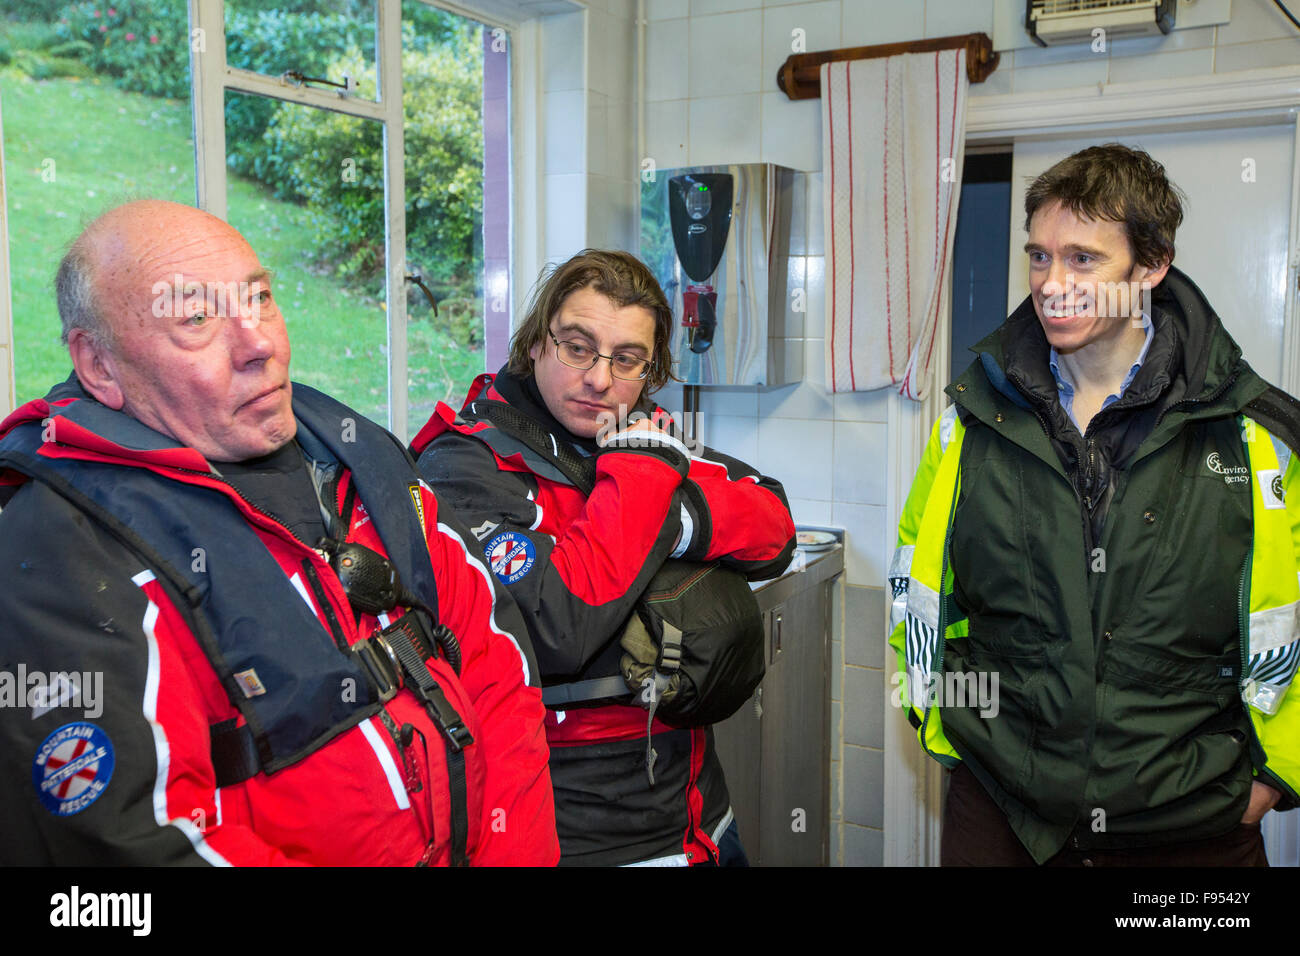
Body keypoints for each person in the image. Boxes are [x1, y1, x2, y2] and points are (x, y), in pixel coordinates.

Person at [0, 199, 559, 866]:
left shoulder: (357, 459)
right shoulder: (63, 549)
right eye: (196, 320)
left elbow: (498, 676)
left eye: (258, 297)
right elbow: (133, 841)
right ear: (99, 366)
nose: (260, 344)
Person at [889, 143, 1300, 866]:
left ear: (1151, 268)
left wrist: (1273, 778)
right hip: (1002, 810)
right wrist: (939, 725)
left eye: (1084, 259)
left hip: (1191, 821)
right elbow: (919, 588)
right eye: (1039, 256)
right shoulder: (974, 418)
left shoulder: (1254, 433)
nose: (1052, 283)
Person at [411, 249, 796, 865]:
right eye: (577, 347)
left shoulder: (634, 433)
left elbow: (775, 527)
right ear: (536, 343)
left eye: (627, 359)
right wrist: (644, 474)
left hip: (702, 818)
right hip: (580, 837)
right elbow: (559, 626)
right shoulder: (465, 468)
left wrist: (670, 521)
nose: (598, 379)